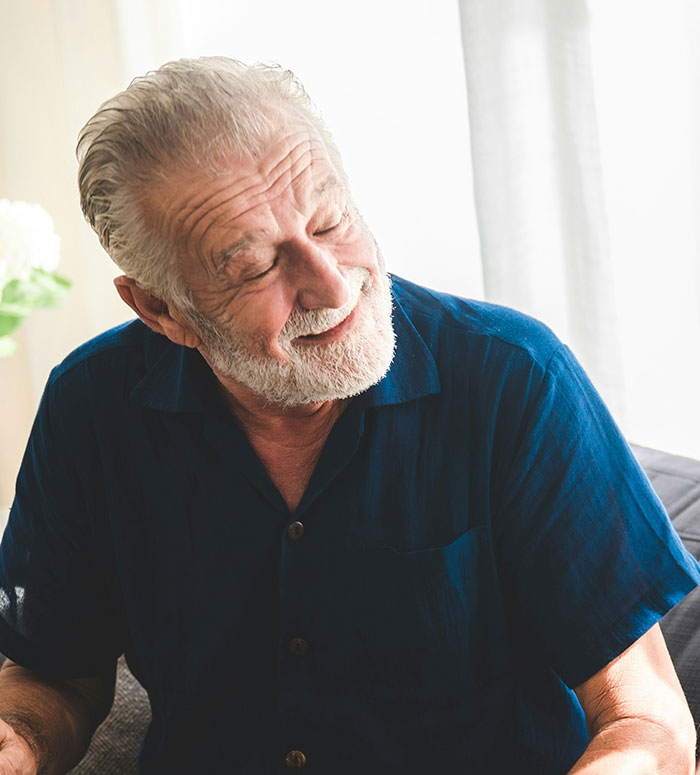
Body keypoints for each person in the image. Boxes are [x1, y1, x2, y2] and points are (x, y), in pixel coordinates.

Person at [0, 56, 698, 775]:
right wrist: (18, 737)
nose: (333, 285)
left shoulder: (514, 378)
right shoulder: (89, 407)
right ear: (161, 309)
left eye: (331, 222)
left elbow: (648, 722)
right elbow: (53, 673)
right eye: (257, 267)